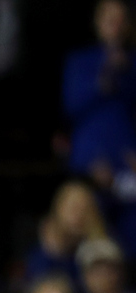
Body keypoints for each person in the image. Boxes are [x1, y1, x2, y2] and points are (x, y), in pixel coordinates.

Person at [63, 0, 136, 178]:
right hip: (89, 156)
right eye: (109, 19)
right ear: (98, 22)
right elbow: (71, 106)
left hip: (128, 157)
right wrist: (103, 79)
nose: (115, 26)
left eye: (120, 20)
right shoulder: (79, 61)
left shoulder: (132, 63)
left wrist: (126, 73)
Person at [24, 180, 107, 284]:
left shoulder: (98, 245)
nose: (79, 216)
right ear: (58, 208)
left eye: (86, 210)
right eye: (74, 208)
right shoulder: (36, 240)